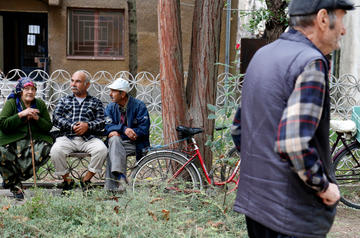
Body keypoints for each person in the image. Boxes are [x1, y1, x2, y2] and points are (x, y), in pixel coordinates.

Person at [233, 0, 355, 237]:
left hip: (256, 208)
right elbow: (293, 143)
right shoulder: (311, 63)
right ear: (322, 18)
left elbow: (239, 130)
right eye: (341, 19)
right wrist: (324, 186)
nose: (343, 30)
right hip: (293, 215)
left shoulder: (262, 56)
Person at [50, 70, 107, 193]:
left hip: (89, 138)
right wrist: (71, 126)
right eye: (72, 81)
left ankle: (85, 181)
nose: (73, 84)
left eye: (78, 81)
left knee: (102, 150)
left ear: (87, 85)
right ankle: (68, 181)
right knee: (56, 151)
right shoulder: (64, 100)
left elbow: (102, 121)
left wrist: (88, 126)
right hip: (68, 137)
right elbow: (55, 118)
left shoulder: (95, 102)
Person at [0, 77, 53, 200]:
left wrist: (37, 119)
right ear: (20, 91)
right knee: (1, 152)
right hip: (11, 139)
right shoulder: (12, 103)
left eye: (33, 89)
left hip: (34, 139)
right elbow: (3, 124)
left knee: (47, 149)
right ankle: (15, 186)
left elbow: (48, 127)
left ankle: (13, 179)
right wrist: (21, 115)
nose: (30, 92)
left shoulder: (39, 104)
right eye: (27, 89)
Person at [104, 77, 150, 193]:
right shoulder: (110, 107)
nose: (110, 94)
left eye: (113, 91)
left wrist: (130, 133)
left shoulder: (139, 106)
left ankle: (112, 188)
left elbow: (143, 129)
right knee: (114, 141)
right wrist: (124, 129)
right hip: (118, 143)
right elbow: (106, 127)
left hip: (135, 144)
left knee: (113, 147)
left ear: (123, 94)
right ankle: (121, 180)